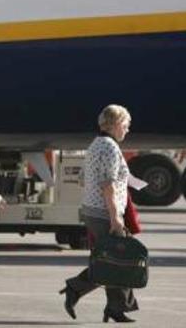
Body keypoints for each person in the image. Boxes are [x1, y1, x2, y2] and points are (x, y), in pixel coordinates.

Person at [61, 105, 139, 323]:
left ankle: (115, 307)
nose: (128, 130)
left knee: (113, 259)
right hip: (104, 213)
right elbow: (108, 186)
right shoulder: (109, 148)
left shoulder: (96, 144)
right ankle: (75, 288)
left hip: (93, 210)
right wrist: (116, 217)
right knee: (118, 258)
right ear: (115, 125)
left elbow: (84, 179)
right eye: (126, 125)